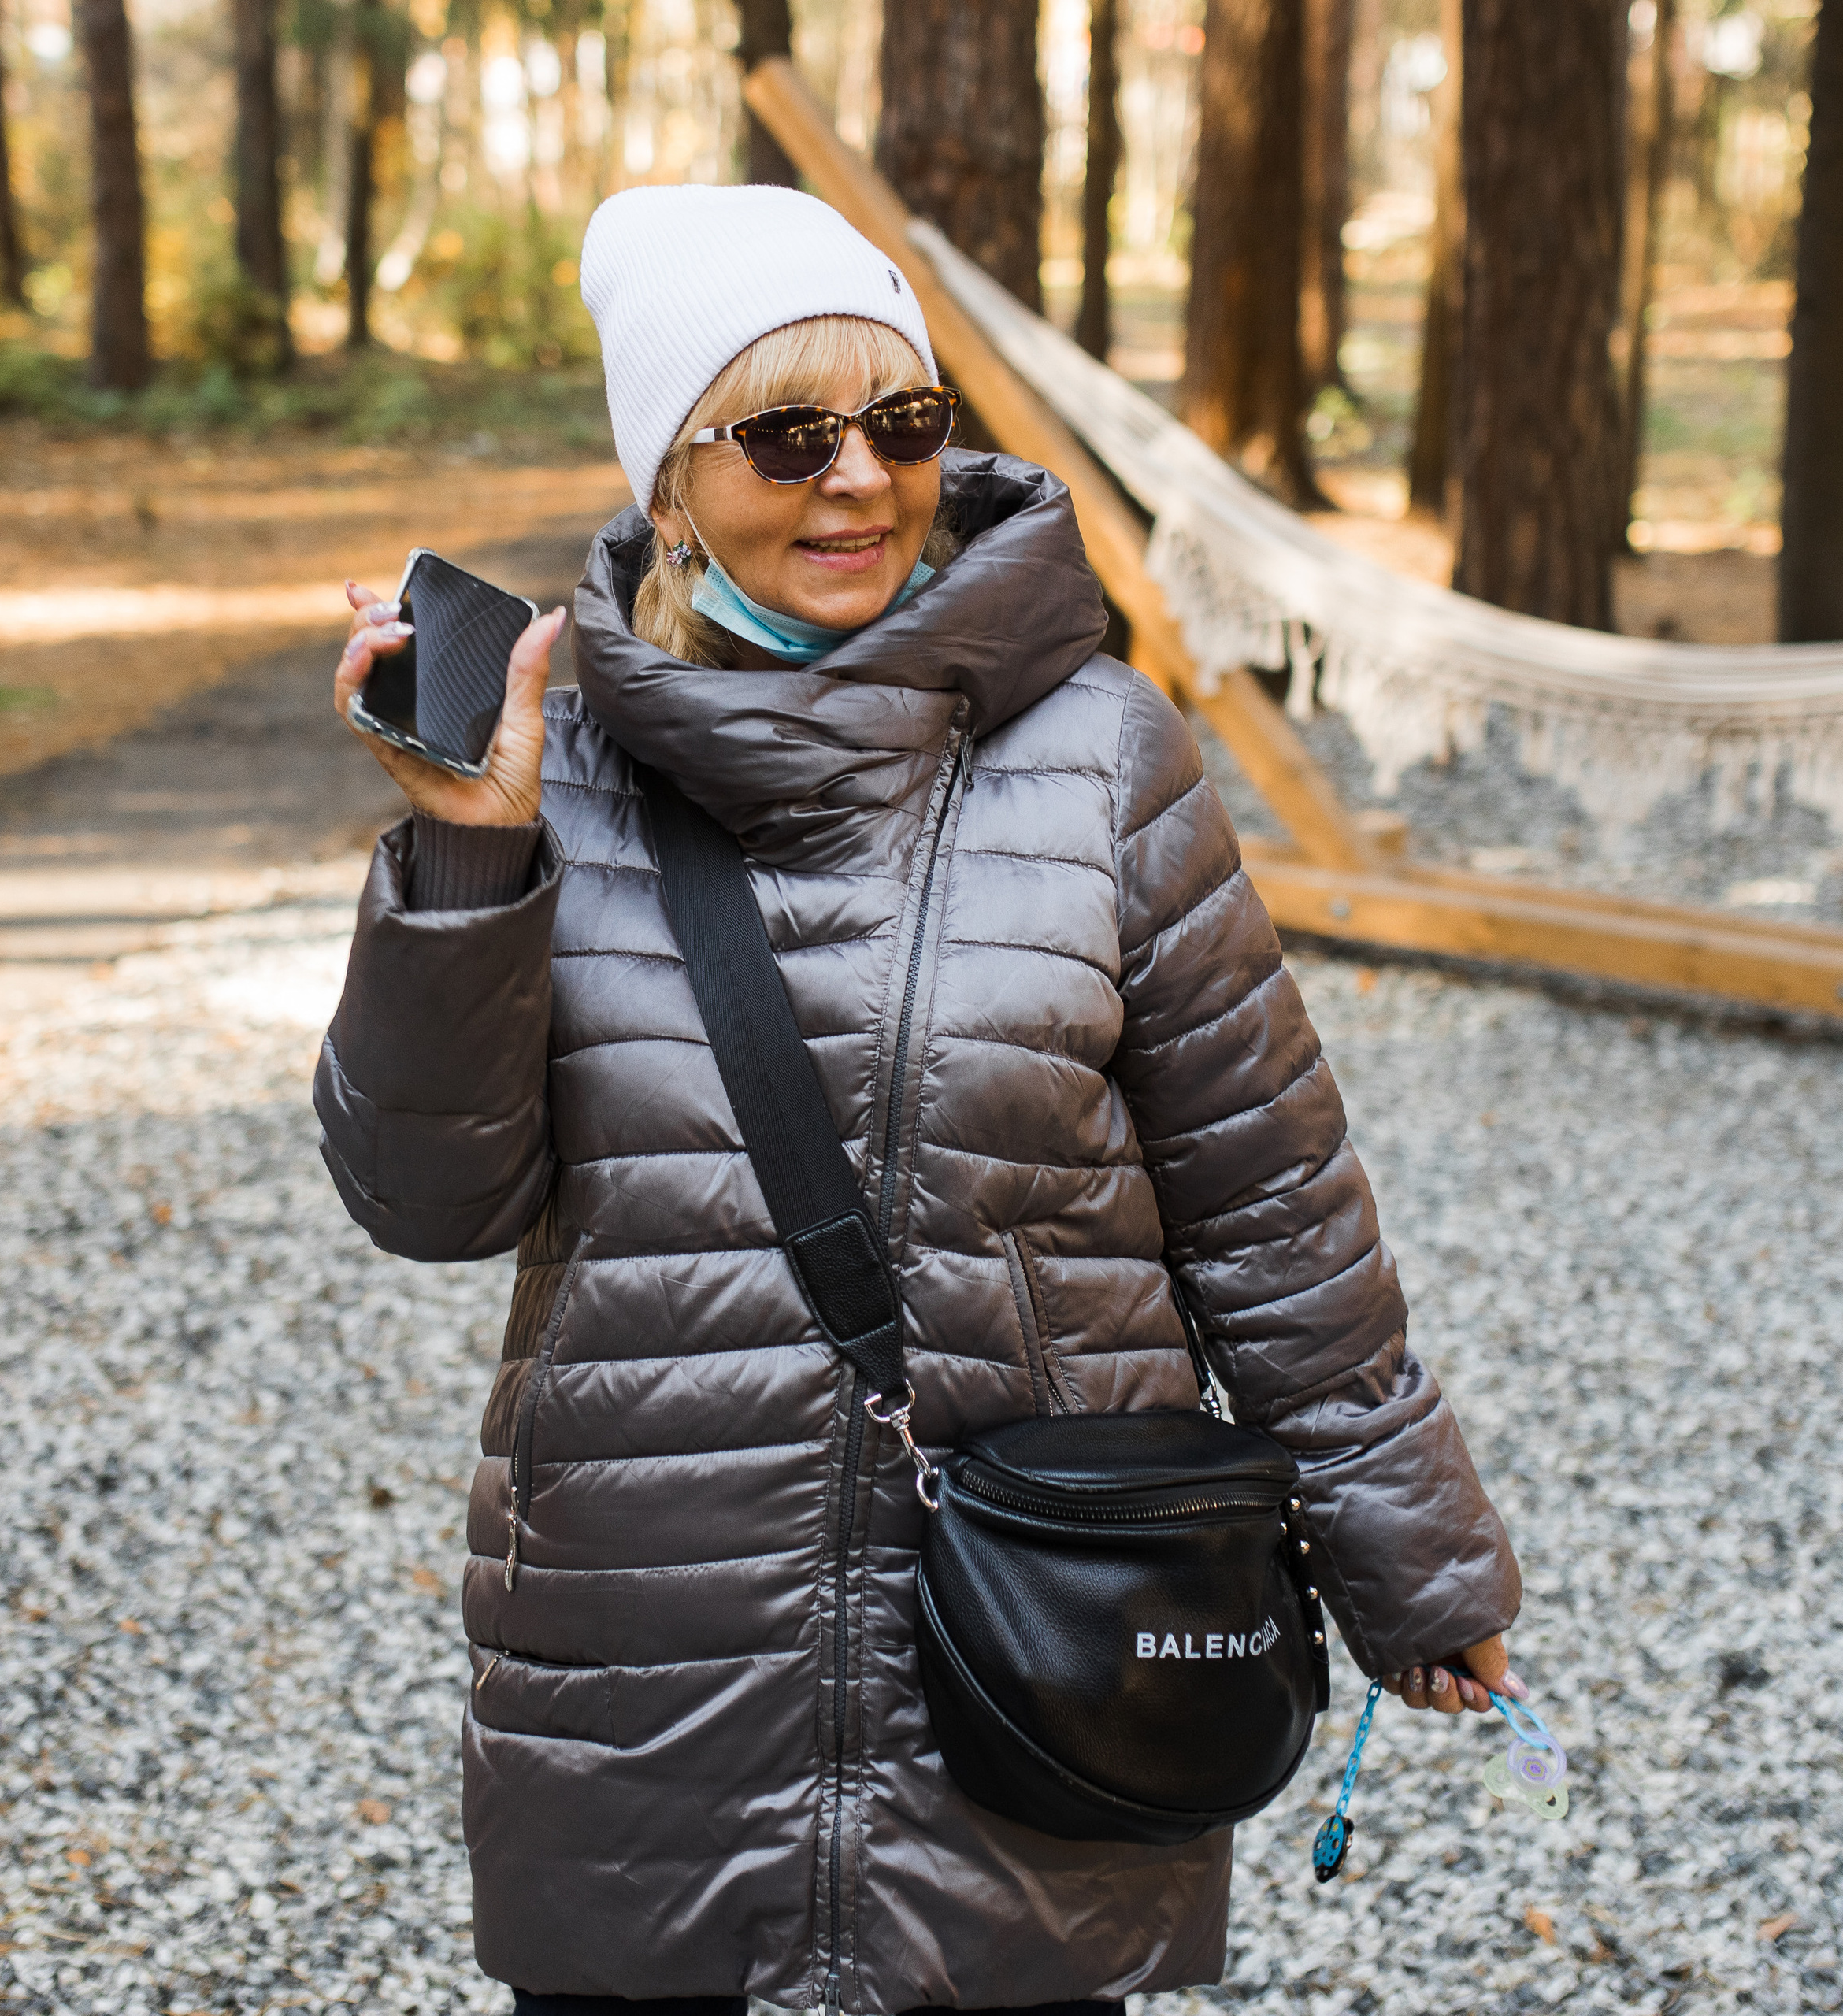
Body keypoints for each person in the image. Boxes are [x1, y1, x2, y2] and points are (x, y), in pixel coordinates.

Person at [317, 184, 1523, 2016]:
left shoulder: (1098, 755)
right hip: (646, 1640)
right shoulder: (545, 762)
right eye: (785, 435)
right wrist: (468, 855)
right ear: (667, 481)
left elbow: (1266, 1198)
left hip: (1043, 1627)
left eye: (900, 421)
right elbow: (428, 1200)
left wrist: (1407, 1559)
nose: (859, 480)